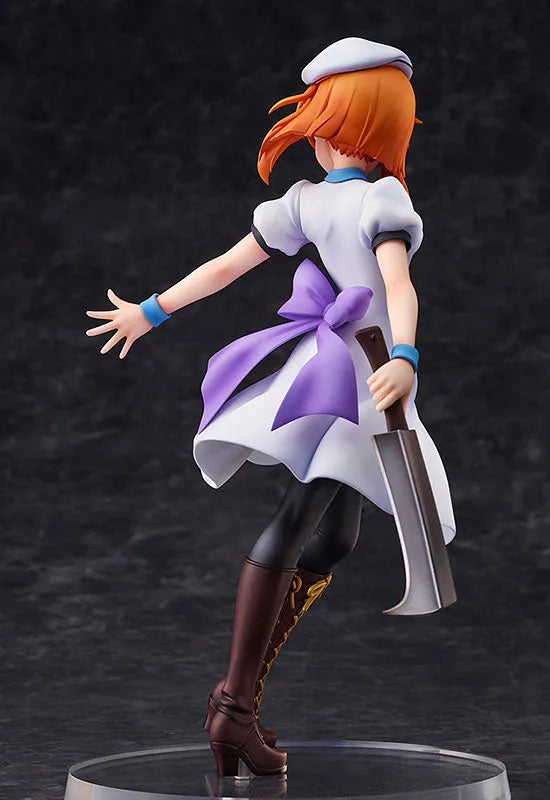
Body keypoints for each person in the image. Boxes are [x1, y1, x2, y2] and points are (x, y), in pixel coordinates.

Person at [85, 37, 456, 778]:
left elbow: (395, 284)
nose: (312, 135)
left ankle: (239, 701)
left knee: (338, 535)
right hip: (344, 380)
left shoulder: (360, 199)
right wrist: (151, 311)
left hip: (363, 373)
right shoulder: (333, 200)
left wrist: (405, 357)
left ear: (338, 128)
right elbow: (234, 265)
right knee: (298, 517)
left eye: (320, 120)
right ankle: (235, 707)